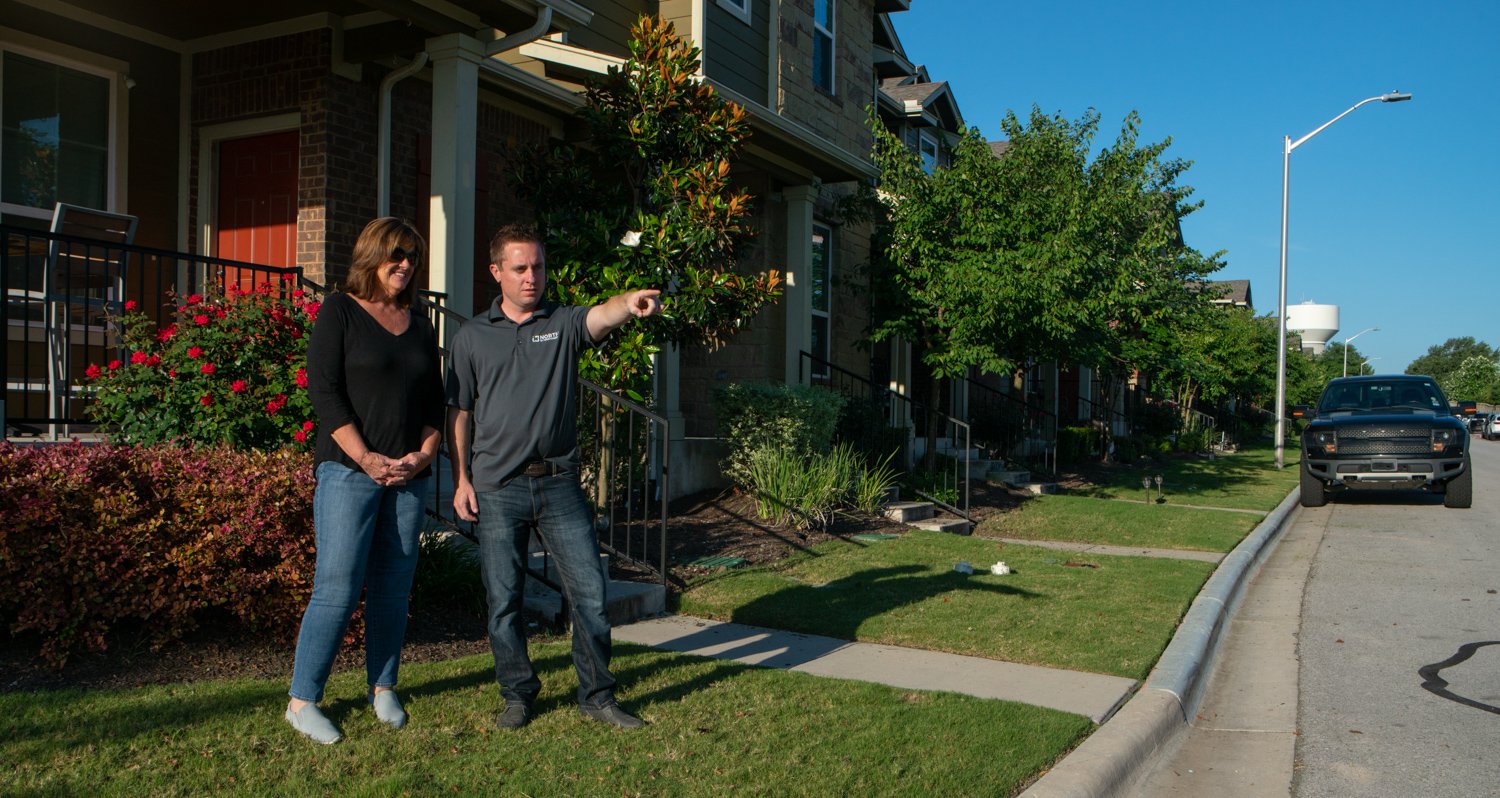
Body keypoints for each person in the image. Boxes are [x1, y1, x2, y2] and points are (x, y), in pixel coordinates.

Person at [446, 223, 661, 730]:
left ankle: (598, 695)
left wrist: (629, 302)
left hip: (560, 484)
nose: (531, 277)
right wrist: (461, 478)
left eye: (538, 267)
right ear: (496, 271)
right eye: (519, 268)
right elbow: (458, 412)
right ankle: (518, 695)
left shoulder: (561, 323)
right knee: (504, 600)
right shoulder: (472, 336)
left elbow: (601, 316)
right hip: (498, 487)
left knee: (588, 592)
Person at [284, 217, 445, 744]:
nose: (405, 264)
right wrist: (369, 459)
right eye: (397, 254)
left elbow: (432, 403)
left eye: (413, 257)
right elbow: (324, 392)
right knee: (337, 588)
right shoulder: (340, 312)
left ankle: (383, 687)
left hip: (407, 477)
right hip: (349, 472)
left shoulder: (420, 323)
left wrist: (423, 455)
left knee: (393, 588)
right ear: (372, 254)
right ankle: (303, 700)